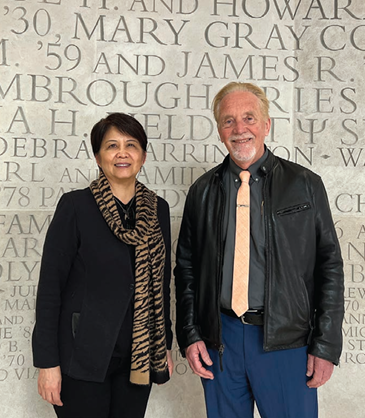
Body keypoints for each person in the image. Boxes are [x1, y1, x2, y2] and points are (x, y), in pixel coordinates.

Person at [175, 82, 344, 418]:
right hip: (220, 342)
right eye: (229, 121)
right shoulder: (203, 191)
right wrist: (191, 334)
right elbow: (186, 269)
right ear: (220, 130)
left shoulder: (304, 184)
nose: (240, 129)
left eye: (249, 118)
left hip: (285, 342)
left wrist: (325, 345)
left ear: (267, 125)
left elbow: (330, 266)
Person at [32, 113, 173, 418]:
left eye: (131, 145)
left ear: (143, 156)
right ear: (98, 156)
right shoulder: (75, 207)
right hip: (81, 356)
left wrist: (165, 345)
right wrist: (47, 363)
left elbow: (161, 284)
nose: (122, 153)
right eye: (112, 146)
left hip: (138, 356)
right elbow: (50, 288)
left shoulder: (158, 210)